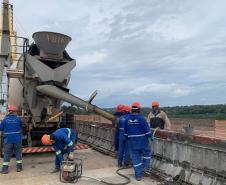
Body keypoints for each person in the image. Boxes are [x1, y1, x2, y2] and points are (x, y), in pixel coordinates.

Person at [124, 102, 153, 181]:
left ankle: (138, 176)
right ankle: (145, 169)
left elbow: (125, 134)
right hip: (143, 142)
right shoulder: (142, 118)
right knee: (147, 154)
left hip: (132, 143)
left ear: (132, 110)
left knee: (136, 159)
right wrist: (151, 136)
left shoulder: (126, 119)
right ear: (139, 109)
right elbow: (147, 132)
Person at [0, 105, 23, 174]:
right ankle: (19, 168)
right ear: (14, 112)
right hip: (17, 139)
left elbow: (0, 128)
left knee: (7, 154)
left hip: (8, 140)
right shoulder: (18, 119)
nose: (17, 113)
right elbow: (21, 127)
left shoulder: (5, 120)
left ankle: (5, 169)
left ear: (9, 112)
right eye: (16, 112)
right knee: (18, 153)